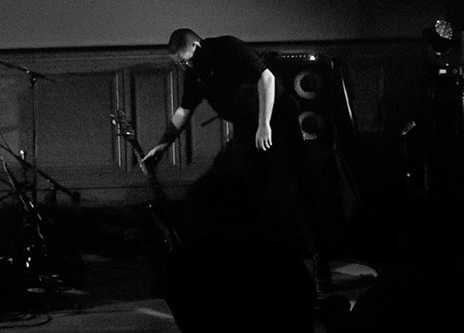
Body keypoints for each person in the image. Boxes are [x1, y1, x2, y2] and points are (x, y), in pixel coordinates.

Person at [140, 28, 327, 293]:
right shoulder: (195, 73)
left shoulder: (227, 47)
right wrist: (161, 146)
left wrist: (264, 124)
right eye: (178, 64)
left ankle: (319, 262)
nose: (184, 66)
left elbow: (267, 79)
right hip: (245, 127)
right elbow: (184, 110)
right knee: (248, 190)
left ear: (197, 46)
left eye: (185, 60)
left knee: (293, 189)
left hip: (277, 122)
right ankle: (257, 264)